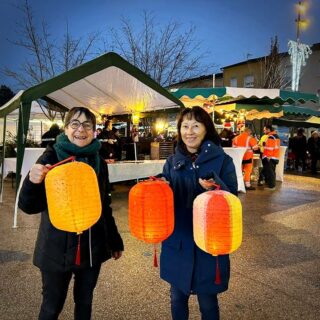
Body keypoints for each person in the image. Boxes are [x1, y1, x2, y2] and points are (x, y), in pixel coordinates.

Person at [18, 107, 124, 320]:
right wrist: (32, 180)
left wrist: (114, 240)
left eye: (87, 125)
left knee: (84, 303)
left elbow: (104, 204)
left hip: (92, 247)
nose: (80, 129)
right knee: (51, 306)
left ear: (94, 131)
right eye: (75, 123)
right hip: (56, 248)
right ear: (66, 128)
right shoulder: (51, 156)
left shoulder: (99, 162)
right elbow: (28, 206)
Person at [160, 106, 238, 320]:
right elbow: (166, 196)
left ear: (206, 129)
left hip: (209, 242)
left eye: (196, 125)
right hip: (179, 239)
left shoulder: (223, 160)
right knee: (176, 298)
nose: (189, 131)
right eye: (185, 126)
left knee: (208, 302)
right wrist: (161, 185)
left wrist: (215, 187)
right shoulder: (172, 162)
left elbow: (233, 201)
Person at [260, 124, 280, 190]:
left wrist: (268, 157)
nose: (264, 131)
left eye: (265, 130)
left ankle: (271, 186)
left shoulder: (271, 136)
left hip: (270, 157)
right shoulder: (275, 136)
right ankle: (272, 184)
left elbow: (270, 148)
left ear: (268, 129)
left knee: (270, 172)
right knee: (272, 171)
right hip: (274, 157)